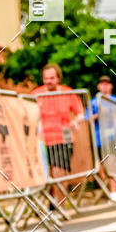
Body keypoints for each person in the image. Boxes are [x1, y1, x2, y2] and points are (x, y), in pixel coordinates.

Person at [32, 63, 84, 203]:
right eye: (46, 78)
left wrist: (76, 121)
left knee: (59, 171)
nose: (49, 81)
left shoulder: (67, 92)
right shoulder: (36, 94)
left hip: (64, 137)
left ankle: (59, 204)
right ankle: (52, 203)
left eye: (52, 78)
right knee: (48, 174)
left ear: (58, 78)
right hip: (43, 139)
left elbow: (80, 113)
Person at [88, 76, 116, 202]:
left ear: (111, 86)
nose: (105, 86)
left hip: (112, 137)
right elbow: (88, 118)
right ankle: (107, 189)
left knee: (112, 163)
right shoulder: (93, 102)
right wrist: (100, 113)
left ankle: (114, 191)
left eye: (107, 83)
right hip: (98, 139)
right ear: (99, 86)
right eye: (102, 84)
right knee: (101, 168)